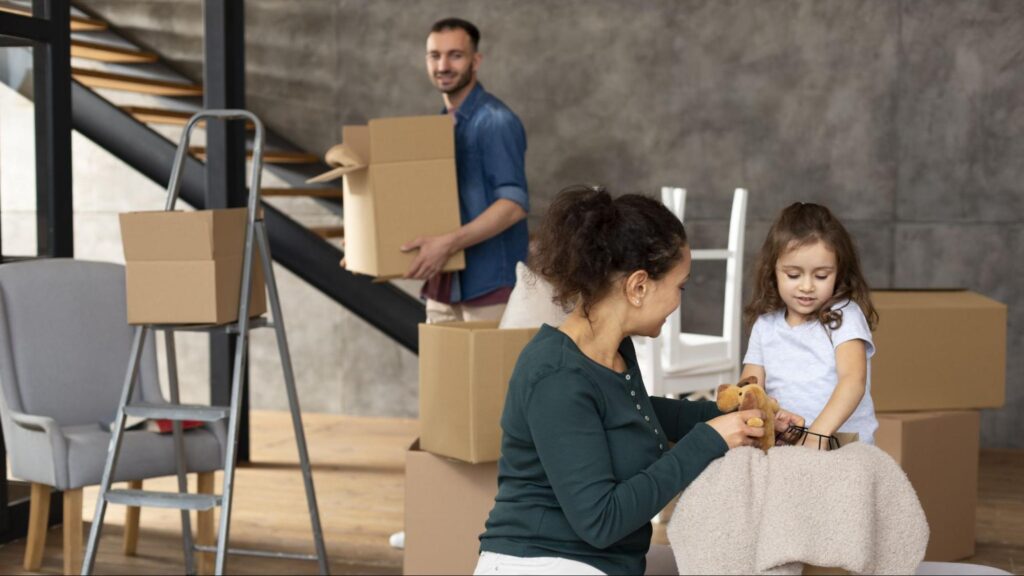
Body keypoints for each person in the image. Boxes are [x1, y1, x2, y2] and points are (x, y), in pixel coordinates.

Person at [475, 186, 803, 576]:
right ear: (639, 286)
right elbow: (601, 520)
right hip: (544, 563)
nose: (680, 301)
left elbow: (639, 414)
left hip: (604, 563)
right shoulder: (556, 376)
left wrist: (734, 414)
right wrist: (711, 439)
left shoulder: (612, 353)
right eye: (679, 287)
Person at [401, 17, 530, 325]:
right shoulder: (440, 124)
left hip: (488, 287)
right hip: (443, 287)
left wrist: (448, 243)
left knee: (490, 376)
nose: (443, 65)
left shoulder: (496, 121)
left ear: (476, 60)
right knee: (440, 375)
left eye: (455, 55)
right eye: (435, 55)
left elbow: (513, 206)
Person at [740, 202, 880, 446]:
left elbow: (853, 380)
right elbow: (751, 390)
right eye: (793, 275)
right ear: (773, 270)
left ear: (839, 272)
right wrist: (762, 415)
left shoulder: (845, 315)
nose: (807, 286)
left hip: (842, 443)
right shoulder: (765, 326)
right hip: (785, 444)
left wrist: (816, 435)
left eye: (821, 276)